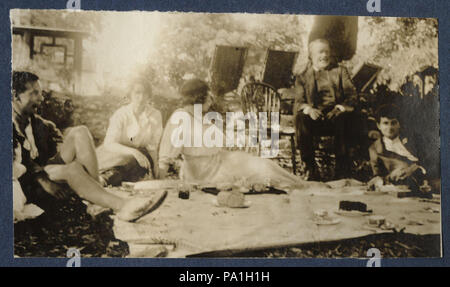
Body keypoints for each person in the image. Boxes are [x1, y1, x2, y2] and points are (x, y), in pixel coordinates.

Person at [12, 71, 166, 222]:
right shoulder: (8, 123)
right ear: (14, 95)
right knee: (73, 169)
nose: (41, 98)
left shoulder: (36, 122)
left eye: (40, 93)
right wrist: (43, 180)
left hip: (47, 168)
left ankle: (96, 199)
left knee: (81, 131)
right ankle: (124, 206)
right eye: (34, 93)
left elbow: (57, 143)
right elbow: (16, 164)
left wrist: (74, 155)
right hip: (28, 179)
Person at [158, 78, 328, 190]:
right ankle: (302, 187)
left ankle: (303, 185)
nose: (211, 99)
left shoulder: (199, 116)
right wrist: (158, 183)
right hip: (207, 173)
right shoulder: (180, 118)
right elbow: (165, 157)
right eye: (207, 95)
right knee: (263, 172)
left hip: (222, 161)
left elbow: (220, 142)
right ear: (199, 97)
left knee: (264, 166)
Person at [293, 38, 358, 180]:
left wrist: (340, 107)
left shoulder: (340, 71)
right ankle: (310, 168)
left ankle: (341, 170)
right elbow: (299, 102)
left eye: (327, 52)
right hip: (314, 120)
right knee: (301, 118)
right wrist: (309, 110)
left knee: (344, 117)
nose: (324, 55)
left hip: (335, 118)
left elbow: (352, 95)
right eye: (320, 52)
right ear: (311, 55)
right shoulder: (302, 76)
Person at [96, 79, 163, 186]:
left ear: (149, 95)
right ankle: (102, 179)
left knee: (135, 163)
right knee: (129, 161)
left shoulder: (155, 115)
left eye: (145, 93)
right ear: (130, 94)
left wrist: (155, 166)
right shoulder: (121, 114)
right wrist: (133, 152)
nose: (141, 97)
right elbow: (109, 143)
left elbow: (152, 146)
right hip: (116, 152)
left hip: (141, 156)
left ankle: (104, 179)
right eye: (137, 93)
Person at [367, 104, 432, 197]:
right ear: (378, 126)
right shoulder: (375, 149)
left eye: (393, 123)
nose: (390, 128)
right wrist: (392, 176)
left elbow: (429, 160)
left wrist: (417, 168)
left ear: (399, 124)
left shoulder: (414, 139)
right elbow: (378, 176)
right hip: (403, 187)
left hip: (428, 180)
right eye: (385, 123)